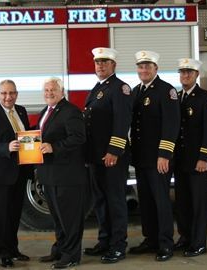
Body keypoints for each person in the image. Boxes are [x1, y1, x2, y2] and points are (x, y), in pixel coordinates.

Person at [129, 50, 180, 261]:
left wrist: (165, 154)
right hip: (141, 158)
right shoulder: (135, 91)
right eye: (140, 67)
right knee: (147, 202)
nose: (143, 70)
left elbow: (171, 125)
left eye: (147, 66)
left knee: (161, 201)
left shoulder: (166, 91)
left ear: (155, 69)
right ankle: (150, 239)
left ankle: (165, 243)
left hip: (159, 159)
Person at [83, 47, 133, 263]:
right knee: (101, 201)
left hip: (113, 157)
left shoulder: (120, 88)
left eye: (105, 62)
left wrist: (114, 151)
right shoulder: (98, 88)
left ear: (113, 65)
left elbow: (122, 122)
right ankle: (105, 241)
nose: (100, 66)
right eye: (97, 62)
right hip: (96, 157)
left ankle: (118, 246)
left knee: (115, 201)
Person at [0, 80, 32, 268]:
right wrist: (6, 147)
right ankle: (3, 254)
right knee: (2, 216)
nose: (8, 97)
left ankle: (13, 249)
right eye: (4, 93)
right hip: (1, 175)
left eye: (11, 93)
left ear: (16, 94)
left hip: (20, 172)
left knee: (14, 214)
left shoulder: (21, 111)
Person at [37, 77, 86, 269]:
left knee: (70, 218)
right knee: (58, 217)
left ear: (62, 91)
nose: (49, 93)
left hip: (68, 176)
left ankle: (72, 255)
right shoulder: (47, 111)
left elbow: (79, 138)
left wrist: (54, 147)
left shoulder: (70, 111)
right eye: (47, 90)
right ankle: (60, 249)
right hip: (50, 174)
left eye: (53, 90)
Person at [173, 58, 207, 257]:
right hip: (180, 161)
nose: (185, 76)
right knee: (183, 202)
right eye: (182, 72)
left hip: (198, 161)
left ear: (196, 75)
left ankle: (198, 242)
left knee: (198, 204)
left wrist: (205, 157)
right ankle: (185, 237)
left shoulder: (206, 98)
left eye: (189, 72)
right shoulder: (177, 96)